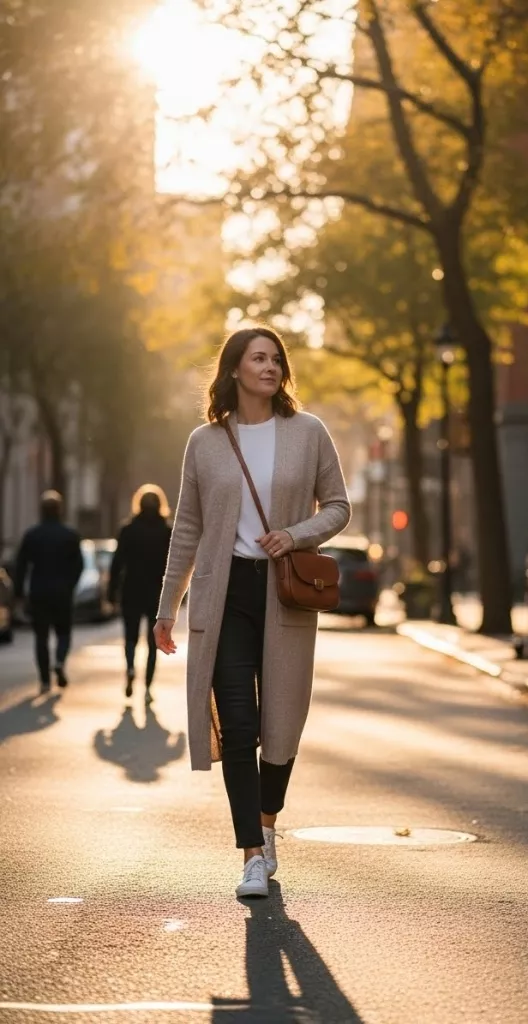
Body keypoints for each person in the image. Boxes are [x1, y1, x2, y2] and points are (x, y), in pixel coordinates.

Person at [153, 325, 350, 899]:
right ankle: (252, 854)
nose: (269, 366)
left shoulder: (308, 432)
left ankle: (268, 820)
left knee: (280, 725)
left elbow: (338, 505)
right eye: (257, 358)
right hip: (225, 594)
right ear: (234, 369)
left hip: (284, 592)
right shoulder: (205, 442)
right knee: (237, 724)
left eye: (275, 359)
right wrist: (167, 606)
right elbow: (187, 529)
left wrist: (295, 533)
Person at [108, 484, 173, 703]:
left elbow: (117, 563)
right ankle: (147, 687)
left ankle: (129, 668)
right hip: (157, 592)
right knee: (153, 640)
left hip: (131, 590)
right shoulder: (166, 532)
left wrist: (111, 592)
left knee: (130, 637)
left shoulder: (128, 529)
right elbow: (174, 566)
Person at [15, 490, 84, 694]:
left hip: (39, 592)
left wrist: (19, 593)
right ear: (59, 510)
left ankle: (45, 681)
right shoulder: (70, 535)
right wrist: (71, 584)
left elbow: (21, 565)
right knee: (64, 632)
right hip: (62, 593)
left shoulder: (32, 535)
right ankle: (60, 660)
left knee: (41, 637)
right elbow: (79, 565)